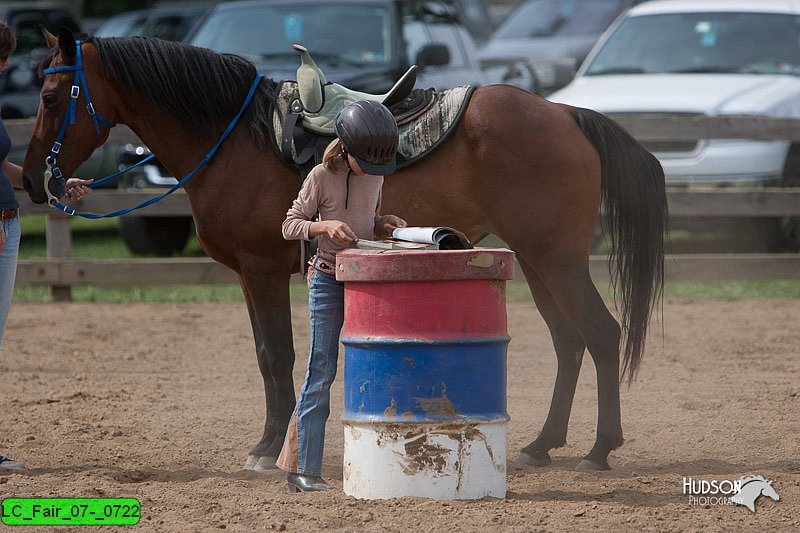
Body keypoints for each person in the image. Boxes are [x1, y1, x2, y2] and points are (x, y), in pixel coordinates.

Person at [276, 100, 406, 491]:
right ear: (347, 151)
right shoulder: (320, 176)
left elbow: (369, 220)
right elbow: (289, 225)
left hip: (366, 280)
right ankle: (303, 470)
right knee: (321, 372)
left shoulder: (375, 176)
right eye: (367, 162)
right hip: (329, 281)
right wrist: (324, 227)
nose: (373, 171)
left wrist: (387, 225)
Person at [0, 18, 92, 471]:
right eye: (2, 58)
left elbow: (3, 168)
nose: (6, 67)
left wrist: (55, 183)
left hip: (9, 222)